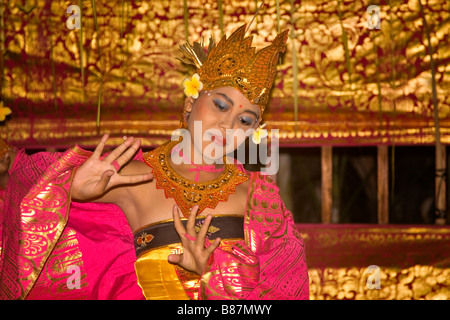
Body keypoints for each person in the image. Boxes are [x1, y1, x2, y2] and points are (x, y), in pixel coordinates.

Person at [71, 24, 309, 300]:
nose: (226, 125)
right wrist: (68, 190)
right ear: (189, 103)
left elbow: (283, 292)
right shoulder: (134, 177)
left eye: (244, 120)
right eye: (221, 105)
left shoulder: (259, 200)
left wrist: (210, 272)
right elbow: (21, 216)